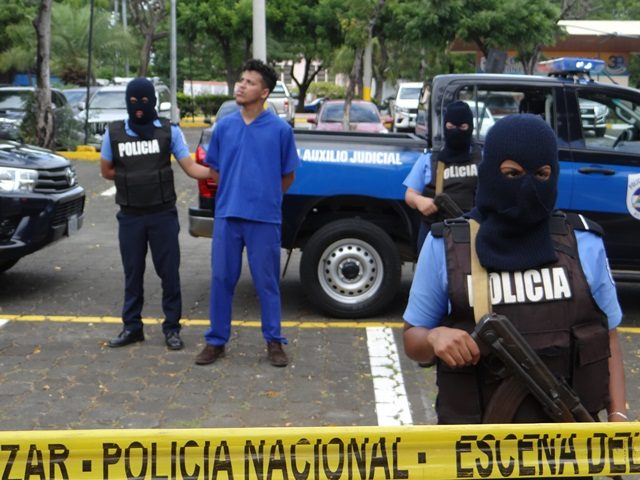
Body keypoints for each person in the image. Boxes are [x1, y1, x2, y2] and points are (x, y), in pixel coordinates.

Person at [403, 114, 627, 425]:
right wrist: (433, 337)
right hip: (478, 447)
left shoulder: (584, 242)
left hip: (570, 442)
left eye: (542, 174)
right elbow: (412, 340)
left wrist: (618, 416)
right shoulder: (447, 245)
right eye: (512, 173)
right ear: (490, 171)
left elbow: (608, 337)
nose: (528, 186)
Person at [195, 59, 300, 368]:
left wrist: (265, 196)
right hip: (228, 216)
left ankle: (274, 341)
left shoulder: (280, 130)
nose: (241, 85)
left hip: (264, 219)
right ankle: (216, 341)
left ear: (264, 92)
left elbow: (288, 176)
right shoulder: (224, 127)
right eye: (241, 80)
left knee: (266, 283)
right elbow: (214, 169)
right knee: (221, 279)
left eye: (250, 82)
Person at [100, 77, 213, 351]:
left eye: (144, 101)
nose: (138, 107)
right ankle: (132, 328)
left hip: (162, 215)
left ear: (153, 101)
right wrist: (135, 176)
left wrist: (220, 173)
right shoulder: (113, 132)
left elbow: (190, 168)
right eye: (133, 101)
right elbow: (106, 171)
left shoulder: (169, 131)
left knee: (169, 274)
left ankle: (172, 329)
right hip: (130, 216)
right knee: (133, 274)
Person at [403, 100, 480, 252]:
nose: (456, 132)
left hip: (473, 236)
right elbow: (410, 195)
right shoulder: (430, 160)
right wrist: (419, 201)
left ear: (470, 127)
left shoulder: (482, 159)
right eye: (450, 127)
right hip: (436, 236)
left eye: (462, 127)